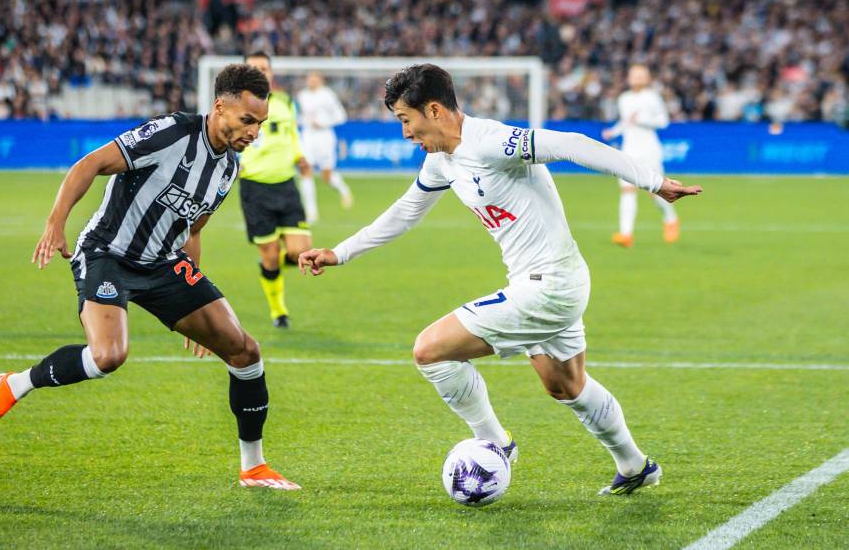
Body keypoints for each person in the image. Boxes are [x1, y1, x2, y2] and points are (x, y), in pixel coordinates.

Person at [299, 65, 701, 495]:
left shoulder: (492, 142)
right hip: (552, 281)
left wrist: (653, 182)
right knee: (565, 385)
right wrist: (340, 252)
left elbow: (572, 144)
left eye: (405, 120)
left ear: (433, 109)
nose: (405, 134)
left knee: (430, 350)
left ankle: (494, 443)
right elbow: (405, 211)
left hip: (548, 286)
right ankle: (635, 465)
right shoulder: (442, 161)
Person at [0, 63, 299, 490]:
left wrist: (193, 295)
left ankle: (253, 467)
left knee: (245, 352)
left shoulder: (228, 167)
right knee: (108, 357)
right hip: (108, 253)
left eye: (261, 123)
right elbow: (90, 163)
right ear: (220, 108)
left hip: (163, 263)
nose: (254, 131)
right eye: (247, 120)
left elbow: (193, 228)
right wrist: (56, 223)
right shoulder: (172, 132)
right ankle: (14, 384)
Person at [238, 52, 313, 329]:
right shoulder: (236, 106)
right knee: (270, 255)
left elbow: (292, 134)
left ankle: (268, 263)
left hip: (286, 185)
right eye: (255, 69)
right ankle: (278, 311)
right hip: (255, 188)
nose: (261, 72)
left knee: (300, 252)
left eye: (264, 68)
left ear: (270, 72)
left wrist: (299, 157)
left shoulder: (284, 103)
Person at [602, 65, 676, 247]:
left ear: (647, 78)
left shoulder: (652, 97)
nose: (638, 79)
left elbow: (663, 121)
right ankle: (626, 234)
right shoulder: (624, 98)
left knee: (657, 190)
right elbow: (626, 121)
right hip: (629, 150)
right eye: (634, 75)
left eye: (641, 76)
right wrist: (613, 131)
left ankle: (670, 218)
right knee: (627, 189)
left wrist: (641, 120)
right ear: (629, 78)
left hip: (649, 149)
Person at [296, 71, 353, 223]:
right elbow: (301, 116)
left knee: (326, 176)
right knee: (305, 170)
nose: (311, 81)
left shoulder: (327, 95)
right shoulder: (302, 96)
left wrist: (323, 123)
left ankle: (344, 190)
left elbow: (341, 116)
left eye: (314, 79)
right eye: (309, 79)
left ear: (320, 80)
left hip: (325, 137)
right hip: (308, 136)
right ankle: (311, 213)